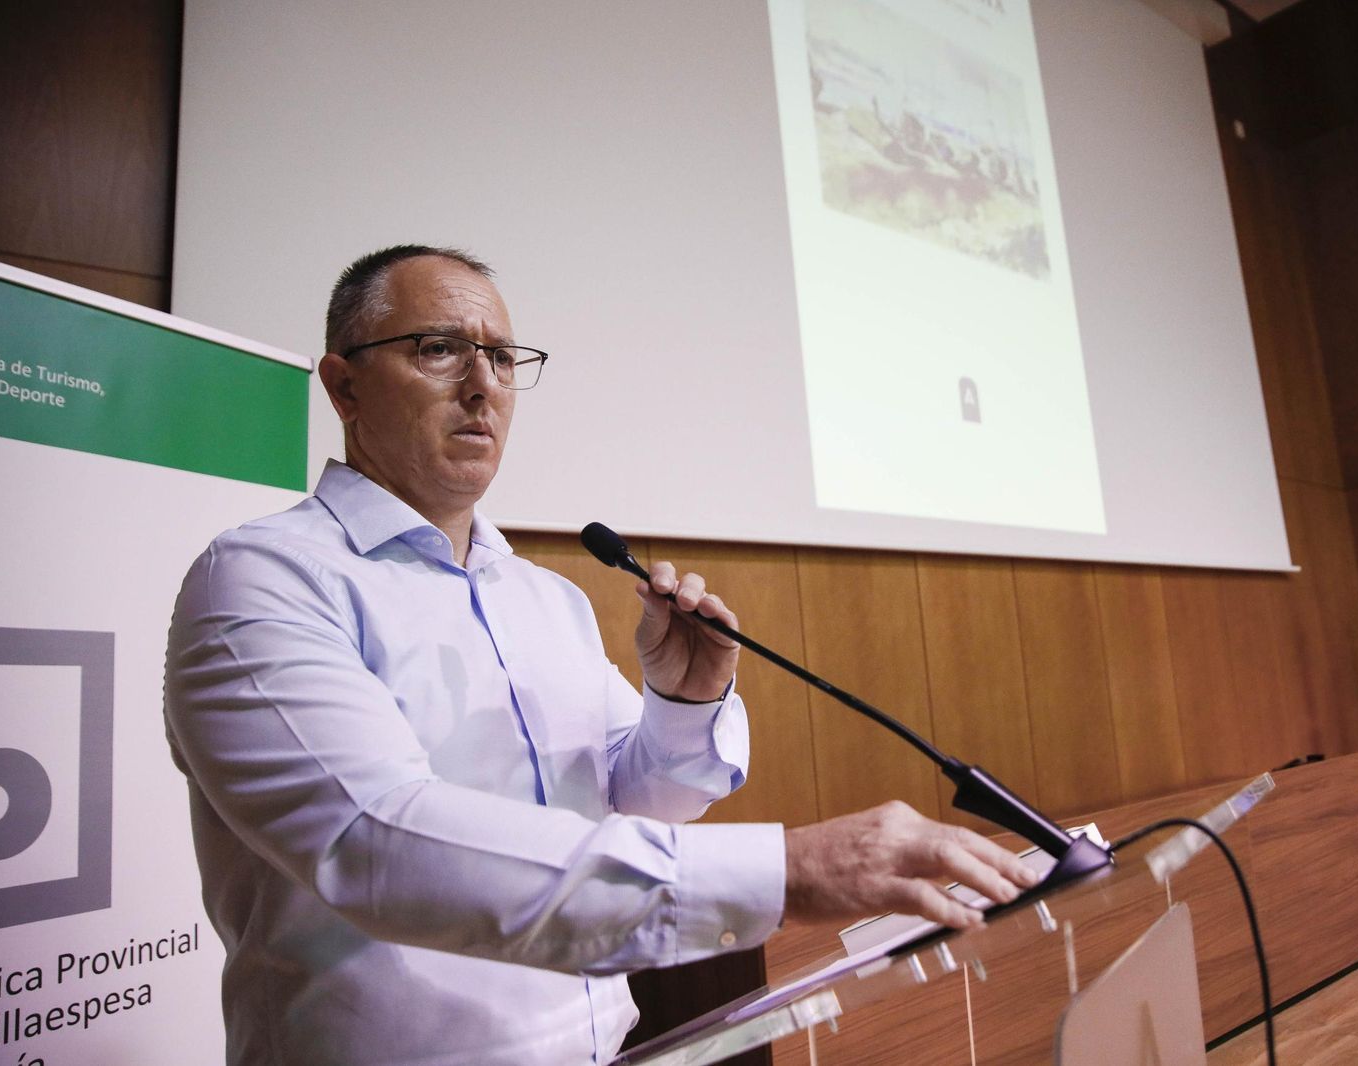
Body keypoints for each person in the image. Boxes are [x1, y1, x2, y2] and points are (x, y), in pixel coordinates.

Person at [164, 244, 1038, 1065]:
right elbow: (377, 846)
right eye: (440, 348)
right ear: (344, 386)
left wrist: (682, 706)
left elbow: (640, 797)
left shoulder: (547, 598)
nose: (483, 385)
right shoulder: (260, 580)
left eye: (503, 358)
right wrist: (790, 870)